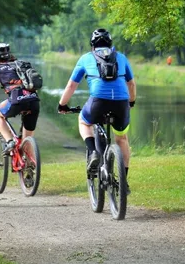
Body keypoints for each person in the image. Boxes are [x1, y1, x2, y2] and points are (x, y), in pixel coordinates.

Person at [57, 28, 137, 186]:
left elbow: (72, 85)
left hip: (98, 101)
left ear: (92, 45)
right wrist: (131, 102)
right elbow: (131, 84)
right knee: (121, 138)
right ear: (110, 43)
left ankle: (93, 151)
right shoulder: (121, 57)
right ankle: (123, 181)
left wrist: (62, 104)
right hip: (122, 102)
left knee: (84, 121)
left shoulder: (86, 58)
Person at [0, 43, 40, 154]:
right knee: (26, 140)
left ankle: (9, 141)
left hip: (16, 101)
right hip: (34, 101)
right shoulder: (21, 65)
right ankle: (30, 167)